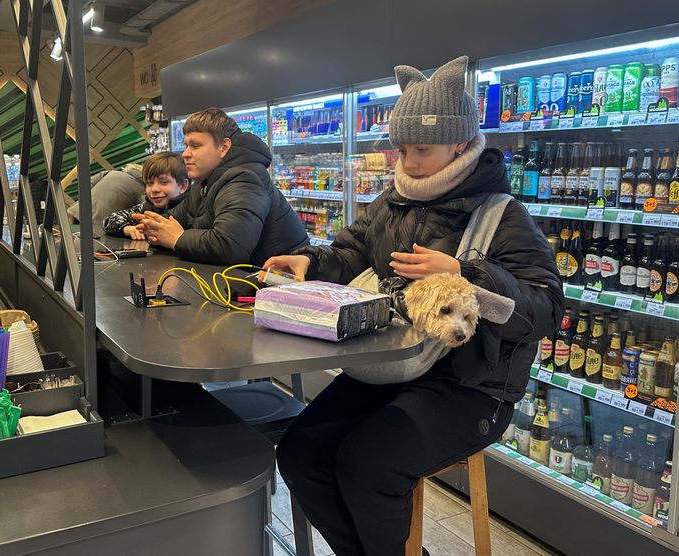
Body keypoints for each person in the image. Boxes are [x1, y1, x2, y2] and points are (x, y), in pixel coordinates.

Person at [265, 56, 564, 556]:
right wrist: (310, 262)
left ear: (460, 144)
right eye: (402, 149)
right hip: (392, 364)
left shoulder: (503, 215)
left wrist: (465, 272)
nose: (409, 162)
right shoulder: (392, 201)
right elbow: (351, 253)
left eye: (423, 149)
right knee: (299, 454)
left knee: (368, 465)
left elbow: (547, 310)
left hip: (471, 386)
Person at [133, 108, 308, 266]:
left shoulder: (245, 179)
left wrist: (177, 238)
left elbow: (231, 247)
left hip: (283, 284)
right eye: (186, 146)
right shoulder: (204, 183)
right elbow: (173, 220)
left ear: (224, 147)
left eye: (195, 145)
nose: (185, 154)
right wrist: (153, 228)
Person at [103, 152, 189, 240]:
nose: (154, 189)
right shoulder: (145, 207)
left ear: (183, 186)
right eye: (150, 183)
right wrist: (127, 228)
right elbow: (109, 220)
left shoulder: (191, 210)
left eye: (163, 182)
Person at [66, 163, 146, 231]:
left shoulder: (111, 172)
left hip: (78, 210)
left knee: (68, 238)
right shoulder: (142, 188)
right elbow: (143, 210)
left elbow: (87, 184)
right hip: (100, 222)